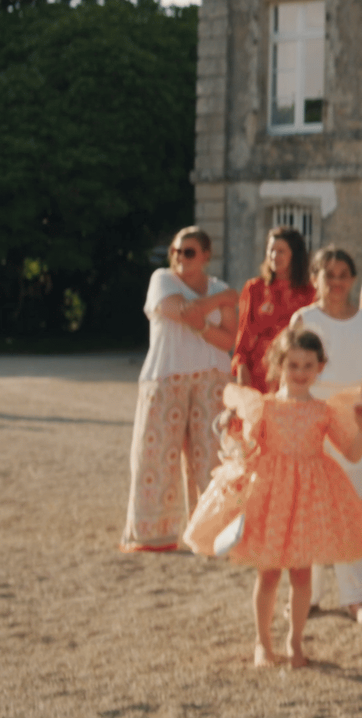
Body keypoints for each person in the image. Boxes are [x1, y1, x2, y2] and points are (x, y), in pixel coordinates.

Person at [180, 325, 362, 668]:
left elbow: (350, 452)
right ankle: (262, 643)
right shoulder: (264, 406)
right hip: (270, 495)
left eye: (307, 365)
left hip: (308, 497)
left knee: (302, 574)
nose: (300, 373)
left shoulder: (324, 410)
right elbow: (244, 447)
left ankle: (295, 641)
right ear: (278, 365)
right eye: (293, 365)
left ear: (320, 367)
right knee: (269, 573)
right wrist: (233, 428)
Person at [123, 226, 238, 553]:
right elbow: (183, 312)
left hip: (212, 376)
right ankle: (152, 533)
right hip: (166, 377)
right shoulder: (162, 280)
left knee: (213, 458)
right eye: (175, 251)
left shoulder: (219, 285)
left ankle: (213, 532)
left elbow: (228, 339)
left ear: (205, 256)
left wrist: (203, 319)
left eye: (188, 252)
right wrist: (222, 302)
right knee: (156, 456)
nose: (179, 257)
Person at [290, 247, 362, 624]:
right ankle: (308, 593)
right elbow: (290, 370)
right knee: (308, 503)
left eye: (344, 273)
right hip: (311, 413)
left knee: (350, 505)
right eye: (329, 274)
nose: (337, 281)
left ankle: (355, 595)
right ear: (315, 278)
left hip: (353, 415)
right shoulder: (304, 318)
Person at [232, 226, 317, 392]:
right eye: (270, 250)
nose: (273, 256)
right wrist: (241, 366)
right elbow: (244, 334)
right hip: (259, 374)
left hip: (295, 373)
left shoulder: (310, 292)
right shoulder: (254, 288)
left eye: (280, 251)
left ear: (295, 255)